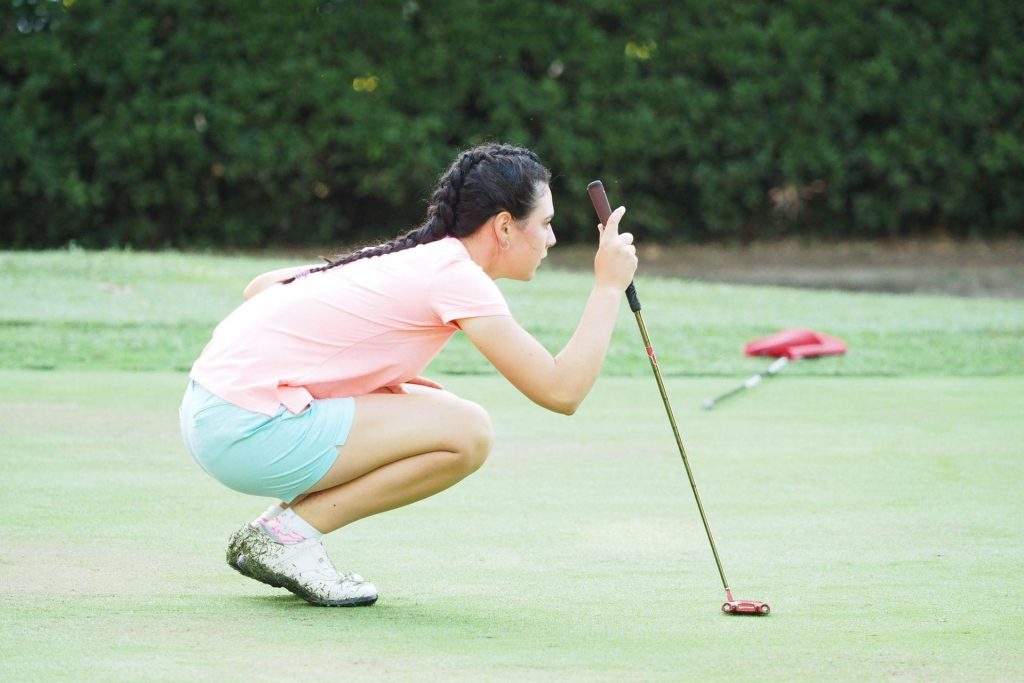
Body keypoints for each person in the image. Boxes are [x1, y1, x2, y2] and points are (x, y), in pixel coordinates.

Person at [179, 143, 637, 607]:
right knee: (467, 431)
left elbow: (261, 288)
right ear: (503, 227)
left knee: (441, 410)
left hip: (208, 412)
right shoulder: (457, 275)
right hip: (244, 431)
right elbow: (562, 391)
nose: (551, 239)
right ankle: (286, 536)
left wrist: (368, 381)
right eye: (544, 223)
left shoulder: (422, 255)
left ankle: (281, 535)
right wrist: (607, 286)